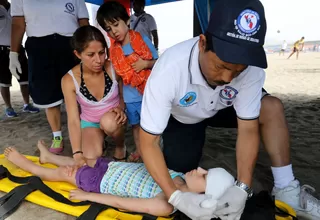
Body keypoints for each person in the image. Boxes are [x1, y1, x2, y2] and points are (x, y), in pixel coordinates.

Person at [138, 0, 320, 219]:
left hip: (225, 107)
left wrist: (242, 187)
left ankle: (286, 188)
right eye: (221, 66)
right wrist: (175, 195)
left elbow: (248, 129)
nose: (227, 78)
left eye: (237, 71)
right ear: (203, 43)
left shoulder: (250, 69)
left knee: (271, 107)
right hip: (183, 117)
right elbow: (148, 141)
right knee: (177, 176)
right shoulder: (169, 69)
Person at [3, 141, 234, 217]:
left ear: (202, 197)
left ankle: (26, 164)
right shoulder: (180, 178)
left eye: (205, 176)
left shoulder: (166, 204)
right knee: (80, 162)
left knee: (62, 174)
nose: (200, 168)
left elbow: (122, 203)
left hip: (100, 183)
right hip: (113, 167)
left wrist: (87, 195)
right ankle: (46, 156)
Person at [10, 0, 89, 153]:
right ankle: (57, 135)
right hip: (39, 48)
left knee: (79, 92)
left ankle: (85, 131)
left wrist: (87, 48)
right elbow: (18, 24)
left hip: (70, 45)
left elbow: (84, 23)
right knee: (47, 95)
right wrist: (13, 53)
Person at [97, 1, 158, 162]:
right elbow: (120, 79)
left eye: (116, 25)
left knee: (152, 127)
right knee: (136, 127)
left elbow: (159, 63)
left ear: (127, 20)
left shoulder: (142, 39)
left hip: (148, 94)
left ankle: (155, 153)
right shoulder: (114, 51)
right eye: (108, 29)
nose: (113, 32)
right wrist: (122, 100)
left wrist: (145, 64)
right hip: (131, 98)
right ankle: (140, 151)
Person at [61, 25, 127, 165]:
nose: (98, 60)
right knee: (89, 159)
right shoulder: (69, 79)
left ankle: (120, 146)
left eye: (102, 53)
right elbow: (73, 119)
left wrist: (121, 108)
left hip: (113, 119)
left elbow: (124, 96)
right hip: (90, 122)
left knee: (109, 123)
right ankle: (99, 141)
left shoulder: (113, 68)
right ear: (78, 54)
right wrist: (77, 152)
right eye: (90, 55)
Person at [0, 0, 39, 117]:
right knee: (4, 81)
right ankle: (8, 107)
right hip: (1, 50)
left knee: (24, 79)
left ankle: (27, 104)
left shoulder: (16, 7)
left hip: (18, 48)